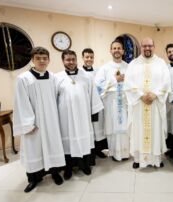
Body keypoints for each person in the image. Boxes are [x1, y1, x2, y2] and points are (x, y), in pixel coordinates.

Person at [13, 46, 65, 193]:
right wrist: (28, 123)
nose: (42, 61)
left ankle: (55, 173)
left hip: (52, 121)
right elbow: (21, 102)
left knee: (53, 145)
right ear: (32, 60)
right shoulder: (24, 78)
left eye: (44, 58)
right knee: (34, 150)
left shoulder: (54, 77)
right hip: (34, 124)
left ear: (48, 60)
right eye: (38, 58)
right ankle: (34, 178)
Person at [56, 50, 103, 179]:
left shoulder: (86, 76)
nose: (71, 62)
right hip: (66, 118)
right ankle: (68, 168)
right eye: (68, 59)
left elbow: (93, 95)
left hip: (83, 116)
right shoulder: (57, 78)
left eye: (73, 59)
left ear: (77, 60)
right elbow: (53, 99)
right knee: (68, 143)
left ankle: (84, 165)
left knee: (84, 141)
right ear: (63, 61)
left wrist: (94, 115)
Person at [125, 37, 171, 168]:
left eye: (149, 46)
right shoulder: (133, 64)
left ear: (154, 46)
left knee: (155, 130)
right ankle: (138, 159)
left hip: (155, 104)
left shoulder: (161, 63)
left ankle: (156, 159)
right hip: (139, 104)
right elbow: (128, 83)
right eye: (144, 46)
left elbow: (166, 82)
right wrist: (140, 96)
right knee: (138, 131)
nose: (147, 48)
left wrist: (155, 94)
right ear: (141, 47)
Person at [95, 40, 130, 161]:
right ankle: (115, 153)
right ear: (110, 51)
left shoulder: (128, 67)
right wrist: (115, 80)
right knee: (113, 128)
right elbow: (98, 85)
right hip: (111, 103)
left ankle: (125, 153)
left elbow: (134, 84)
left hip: (125, 103)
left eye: (119, 48)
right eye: (114, 48)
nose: (117, 50)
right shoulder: (105, 68)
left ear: (123, 51)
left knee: (125, 128)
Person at [82, 48, 108, 161]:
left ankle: (99, 150)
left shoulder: (99, 71)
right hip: (85, 105)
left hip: (97, 104)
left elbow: (103, 84)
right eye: (87, 57)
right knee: (88, 128)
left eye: (91, 57)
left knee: (98, 127)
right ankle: (90, 153)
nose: (89, 59)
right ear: (82, 58)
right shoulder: (79, 72)